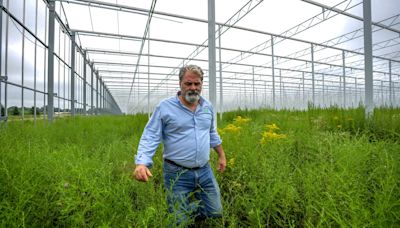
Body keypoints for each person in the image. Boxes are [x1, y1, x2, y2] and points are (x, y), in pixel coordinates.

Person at [133, 64, 226, 224]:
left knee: (216, 211)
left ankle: (192, 212)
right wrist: (142, 163)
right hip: (177, 173)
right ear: (180, 83)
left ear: (201, 84)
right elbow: (151, 135)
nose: (193, 88)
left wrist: (221, 156)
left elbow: (212, 133)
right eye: (188, 83)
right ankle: (186, 215)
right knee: (178, 219)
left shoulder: (207, 107)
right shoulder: (165, 107)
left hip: (205, 171)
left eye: (197, 84)